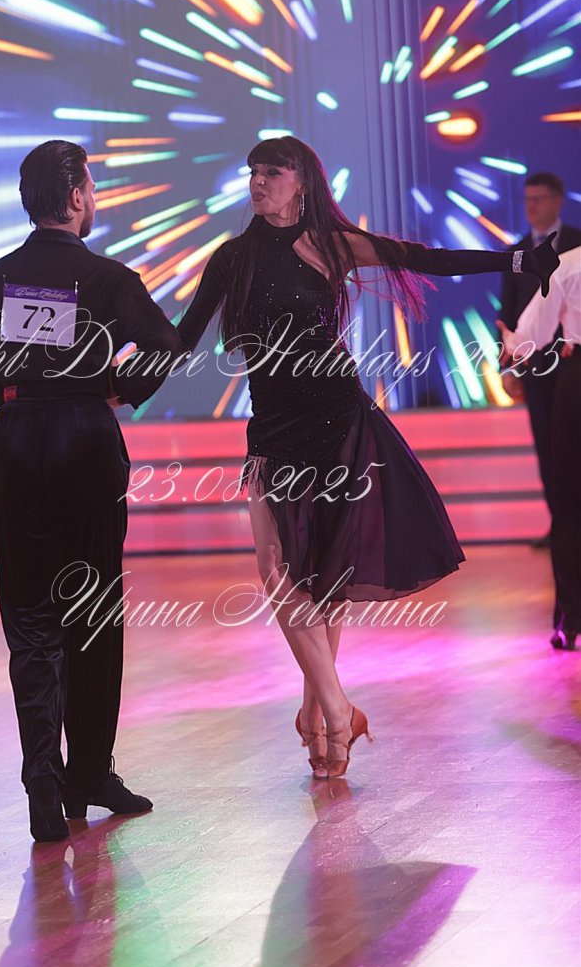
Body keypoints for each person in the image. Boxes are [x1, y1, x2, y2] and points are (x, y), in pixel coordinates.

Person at [168, 136, 559, 780]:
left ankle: (319, 712)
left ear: (301, 182)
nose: (258, 181)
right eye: (253, 172)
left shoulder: (333, 245)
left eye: (272, 172)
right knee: (275, 569)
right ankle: (337, 707)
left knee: (323, 575)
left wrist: (512, 259)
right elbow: (181, 338)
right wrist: (117, 369)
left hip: (338, 421)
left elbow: (422, 259)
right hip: (273, 429)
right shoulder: (232, 259)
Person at [0, 140, 183, 841]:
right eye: (91, 187)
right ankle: (90, 773)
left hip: (19, 442)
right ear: (74, 197)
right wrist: (115, 388)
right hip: (85, 443)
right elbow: (166, 344)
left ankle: (45, 783)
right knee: (91, 611)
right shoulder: (108, 277)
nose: (93, 198)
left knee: (30, 617)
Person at [498, 247, 581, 652]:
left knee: (569, 505)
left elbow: (531, 335)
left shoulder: (571, 263)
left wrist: (511, 342)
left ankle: (572, 619)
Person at [497, 172, 581, 547]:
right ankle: (560, 525)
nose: (531, 206)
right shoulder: (516, 252)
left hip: (573, 364)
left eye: (539, 198)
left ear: (558, 200)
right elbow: (509, 312)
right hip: (536, 366)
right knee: (547, 445)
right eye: (527, 199)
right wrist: (509, 366)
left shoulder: (577, 246)